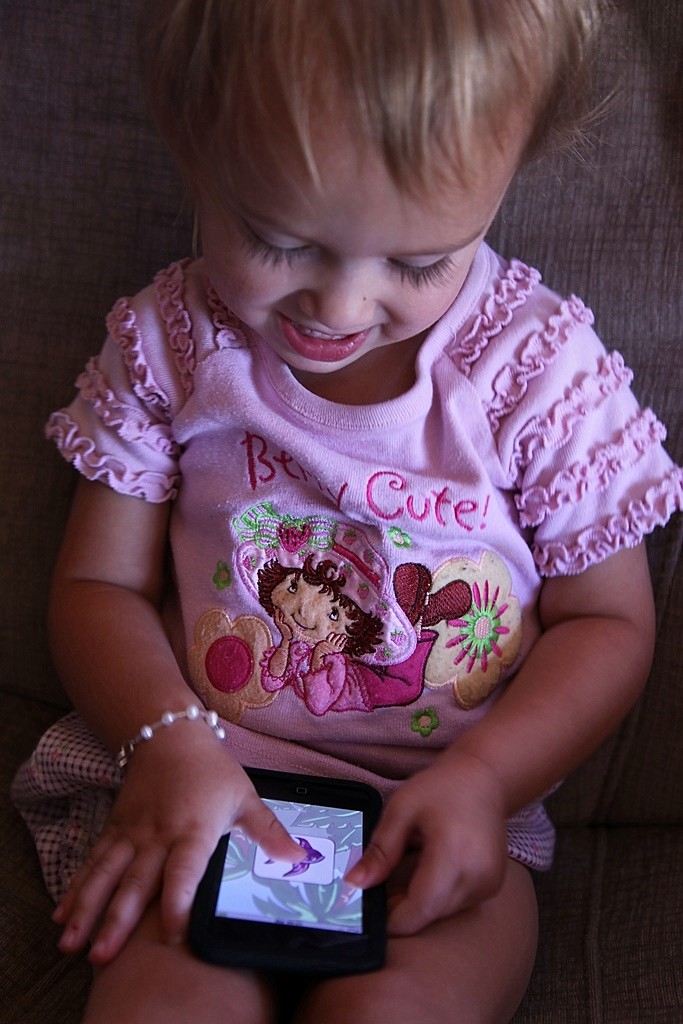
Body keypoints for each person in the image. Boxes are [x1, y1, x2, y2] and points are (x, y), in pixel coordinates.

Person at [11, 1, 682, 1021]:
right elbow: (99, 583)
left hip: (441, 819)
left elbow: (608, 621)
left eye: (418, 262)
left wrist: (486, 781)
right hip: (202, 786)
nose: (339, 309)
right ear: (196, 153)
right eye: (275, 240)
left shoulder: (535, 374)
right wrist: (165, 741)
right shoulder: (175, 346)